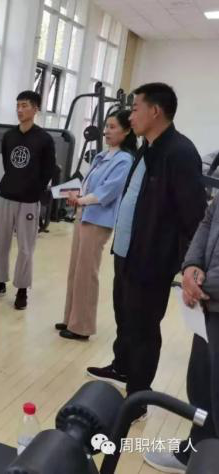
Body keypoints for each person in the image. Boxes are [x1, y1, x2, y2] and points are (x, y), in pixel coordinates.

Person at [86, 83, 207, 421]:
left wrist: (187, 265)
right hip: (127, 252)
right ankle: (122, 367)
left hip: (152, 261)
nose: (131, 115)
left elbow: (194, 216)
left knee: (143, 328)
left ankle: (137, 400)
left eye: (136, 108)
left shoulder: (180, 153)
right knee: (125, 317)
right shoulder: (147, 148)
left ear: (155, 111)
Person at [143, 195, 219, 473]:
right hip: (207, 305)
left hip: (209, 294)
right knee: (201, 386)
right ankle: (197, 453)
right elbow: (209, 219)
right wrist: (191, 266)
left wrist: (201, 285)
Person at [56, 110, 135, 340]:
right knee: (75, 270)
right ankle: (70, 318)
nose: (106, 131)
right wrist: (74, 195)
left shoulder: (124, 160)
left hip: (98, 221)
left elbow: (107, 192)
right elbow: (88, 184)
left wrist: (80, 200)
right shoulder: (103, 155)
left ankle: (82, 327)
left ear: (126, 131)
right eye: (106, 126)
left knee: (86, 274)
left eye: (112, 127)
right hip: (84, 215)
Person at [0, 91, 56, 310]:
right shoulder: (9, 136)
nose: (20, 110)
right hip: (6, 196)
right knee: (1, 243)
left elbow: (48, 170)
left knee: (25, 247)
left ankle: (22, 289)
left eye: (24, 105)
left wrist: (33, 190)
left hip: (29, 200)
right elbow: (8, 164)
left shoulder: (44, 139)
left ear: (35, 109)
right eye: (18, 105)